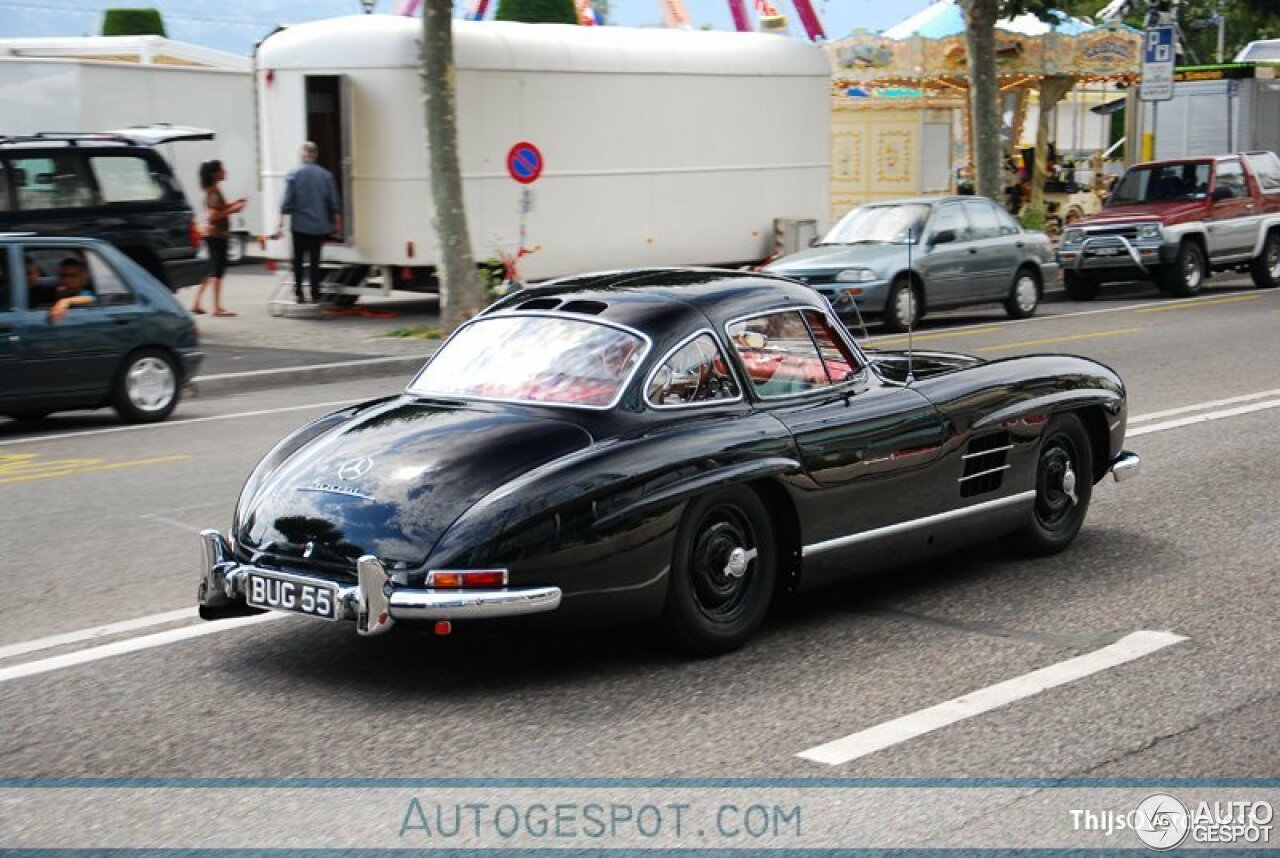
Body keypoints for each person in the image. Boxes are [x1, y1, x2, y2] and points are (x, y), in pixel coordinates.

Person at [276, 141, 341, 304]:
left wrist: (280, 222)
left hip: (299, 226)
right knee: (315, 261)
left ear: (303, 154)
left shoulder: (294, 174)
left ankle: (298, 292)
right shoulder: (326, 175)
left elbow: (287, 202)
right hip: (319, 226)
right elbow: (333, 201)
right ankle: (315, 293)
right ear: (315, 155)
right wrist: (337, 222)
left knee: (298, 260)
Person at [191, 160, 246, 317]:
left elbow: (218, 209)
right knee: (217, 270)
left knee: (212, 269)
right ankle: (216, 307)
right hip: (216, 234)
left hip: (213, 234)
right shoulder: (214, 192)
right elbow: (214, 215)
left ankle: (196, 303)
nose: (225, 172)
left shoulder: (212, 190)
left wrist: (234, 204)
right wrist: (233, 210)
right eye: (222, 170)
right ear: (215, 173)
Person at [48, 257, 96, 323]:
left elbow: (90, 298)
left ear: (82, 278)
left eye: (73, 276)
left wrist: (65, 301)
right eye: (64, 276)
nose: (68, 280)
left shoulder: (85, 293)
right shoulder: (59, 293)